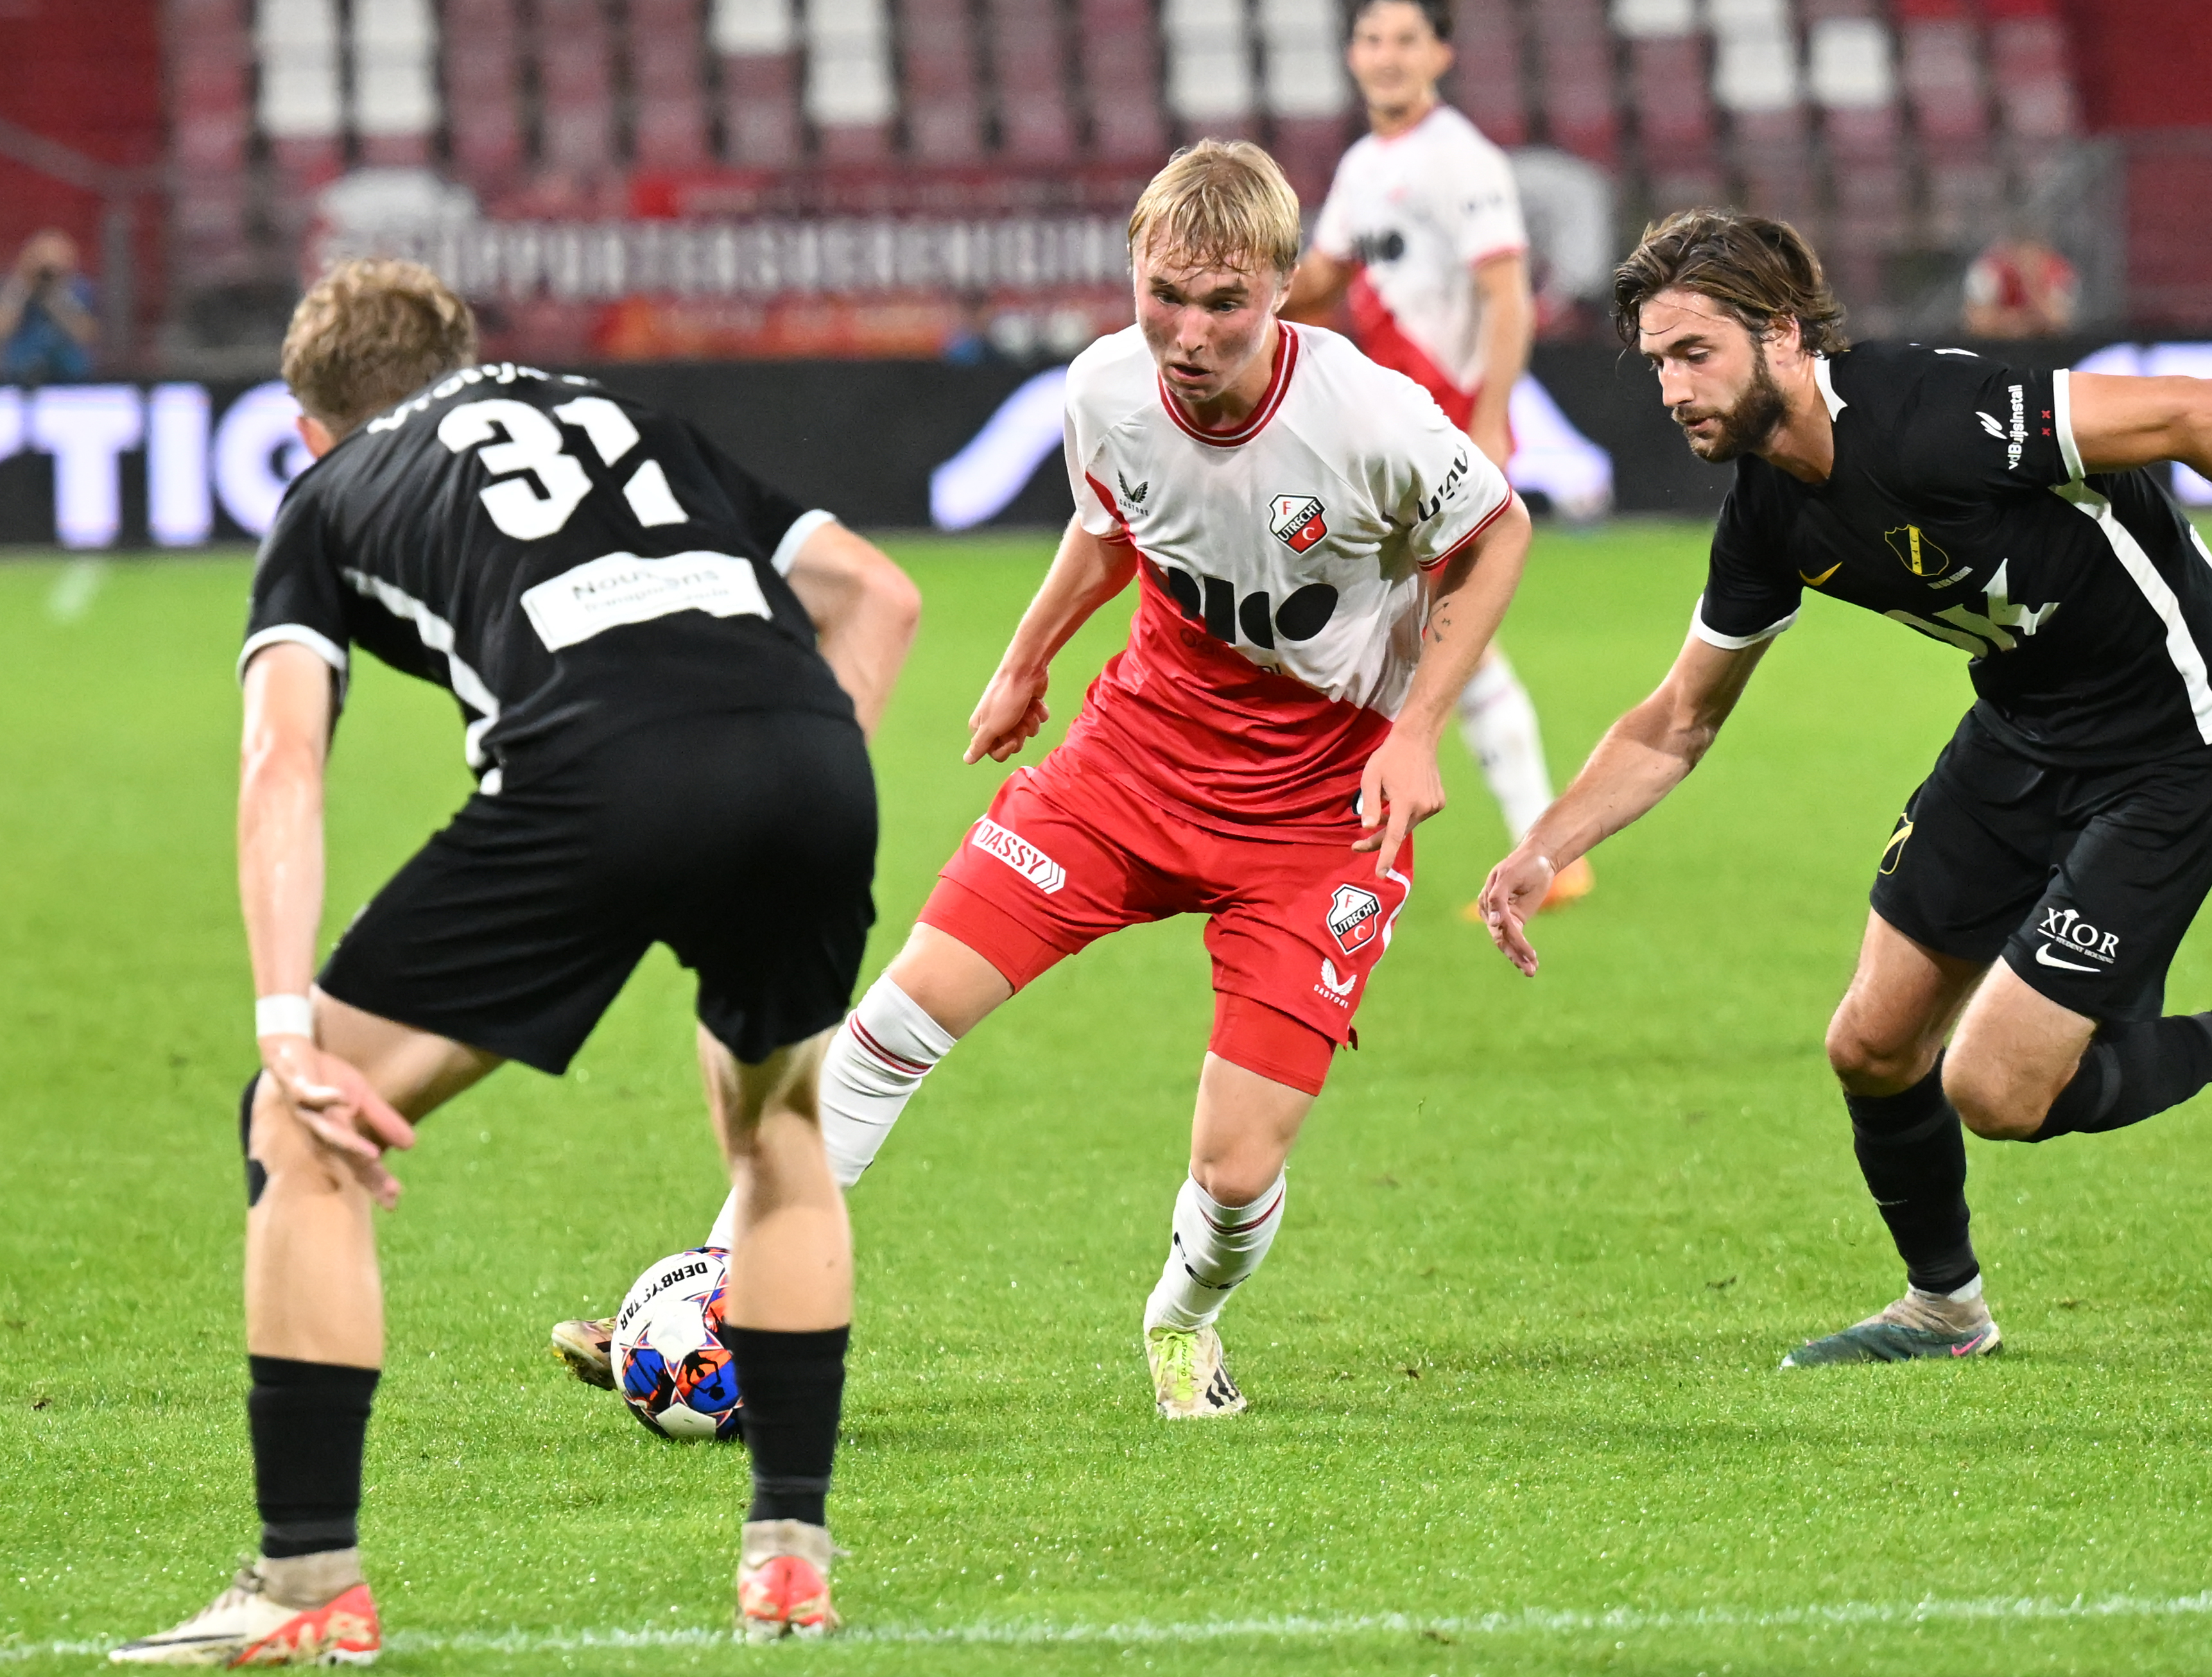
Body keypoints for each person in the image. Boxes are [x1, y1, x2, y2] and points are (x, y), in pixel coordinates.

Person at [562, 141, 1523, 1428]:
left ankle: (1181, 1318)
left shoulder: (1368, 418)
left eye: (1224, 303)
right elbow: (1111, 525)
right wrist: (1028, 658)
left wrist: (1416, 729)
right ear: (1132, 275)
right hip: (1135, 760)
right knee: (895, 1020)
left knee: (1237, 1171)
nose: (1189, 333)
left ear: (1283, 288)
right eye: (1164, 295)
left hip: (1320, 806)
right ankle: (716, 1297)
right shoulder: (1104, 388)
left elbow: (1496, 533)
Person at [112, 257, 920, 1662]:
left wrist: (284, 1020)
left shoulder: (333, 489)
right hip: (808, 760)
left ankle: (307, 1584)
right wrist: (772, 798)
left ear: (309, 428)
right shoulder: (623, 418)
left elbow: (281, 756)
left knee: (296, 1127)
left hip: (598, 771)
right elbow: (879, 597)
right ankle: (790, 1561)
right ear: (463, 358)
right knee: (778, 1128)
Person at [1478, 208, 2212, 1366]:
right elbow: (1678, 718)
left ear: (1780, 333)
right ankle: (1943, 1308)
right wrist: (1544, 844)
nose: (1672, 389)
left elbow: (2198, 412)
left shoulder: (1931, 413)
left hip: (2179, 736)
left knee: (1997, 1088)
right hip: (2020, 730)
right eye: (1656, 363)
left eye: (1693, 353)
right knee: (1870, 1044)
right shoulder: (1767, 512)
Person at [1283, 0, 1593, 913]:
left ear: (1440, 54)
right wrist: (1236, 302)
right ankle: (1545, 852)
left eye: (1404, 40)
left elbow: (1507, 296)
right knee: (1433, 638)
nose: (1385, 56)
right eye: (1371, 39)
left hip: (1444, 433)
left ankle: (1530, 849)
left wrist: (1491, 419)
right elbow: (1323, 277)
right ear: (1351, 53)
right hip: (1386, 438)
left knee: (1430, 636)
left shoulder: (1460, 159)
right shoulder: (1362, 165)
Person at [1, 229, 99, 383]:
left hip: (71, 377)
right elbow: (3, 330)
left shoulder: (81, 289)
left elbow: (86, 335)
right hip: (18, 375)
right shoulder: (13, 287)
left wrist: (56, 296)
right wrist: (21, 289)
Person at [1962, 232, 2080, 340]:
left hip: (2045, 347)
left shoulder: (2057, 270)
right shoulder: (1989, 269)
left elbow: (2061, 322)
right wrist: (2012, 322)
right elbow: (1976, 323)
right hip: (1996, 346)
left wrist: (2032, 285)